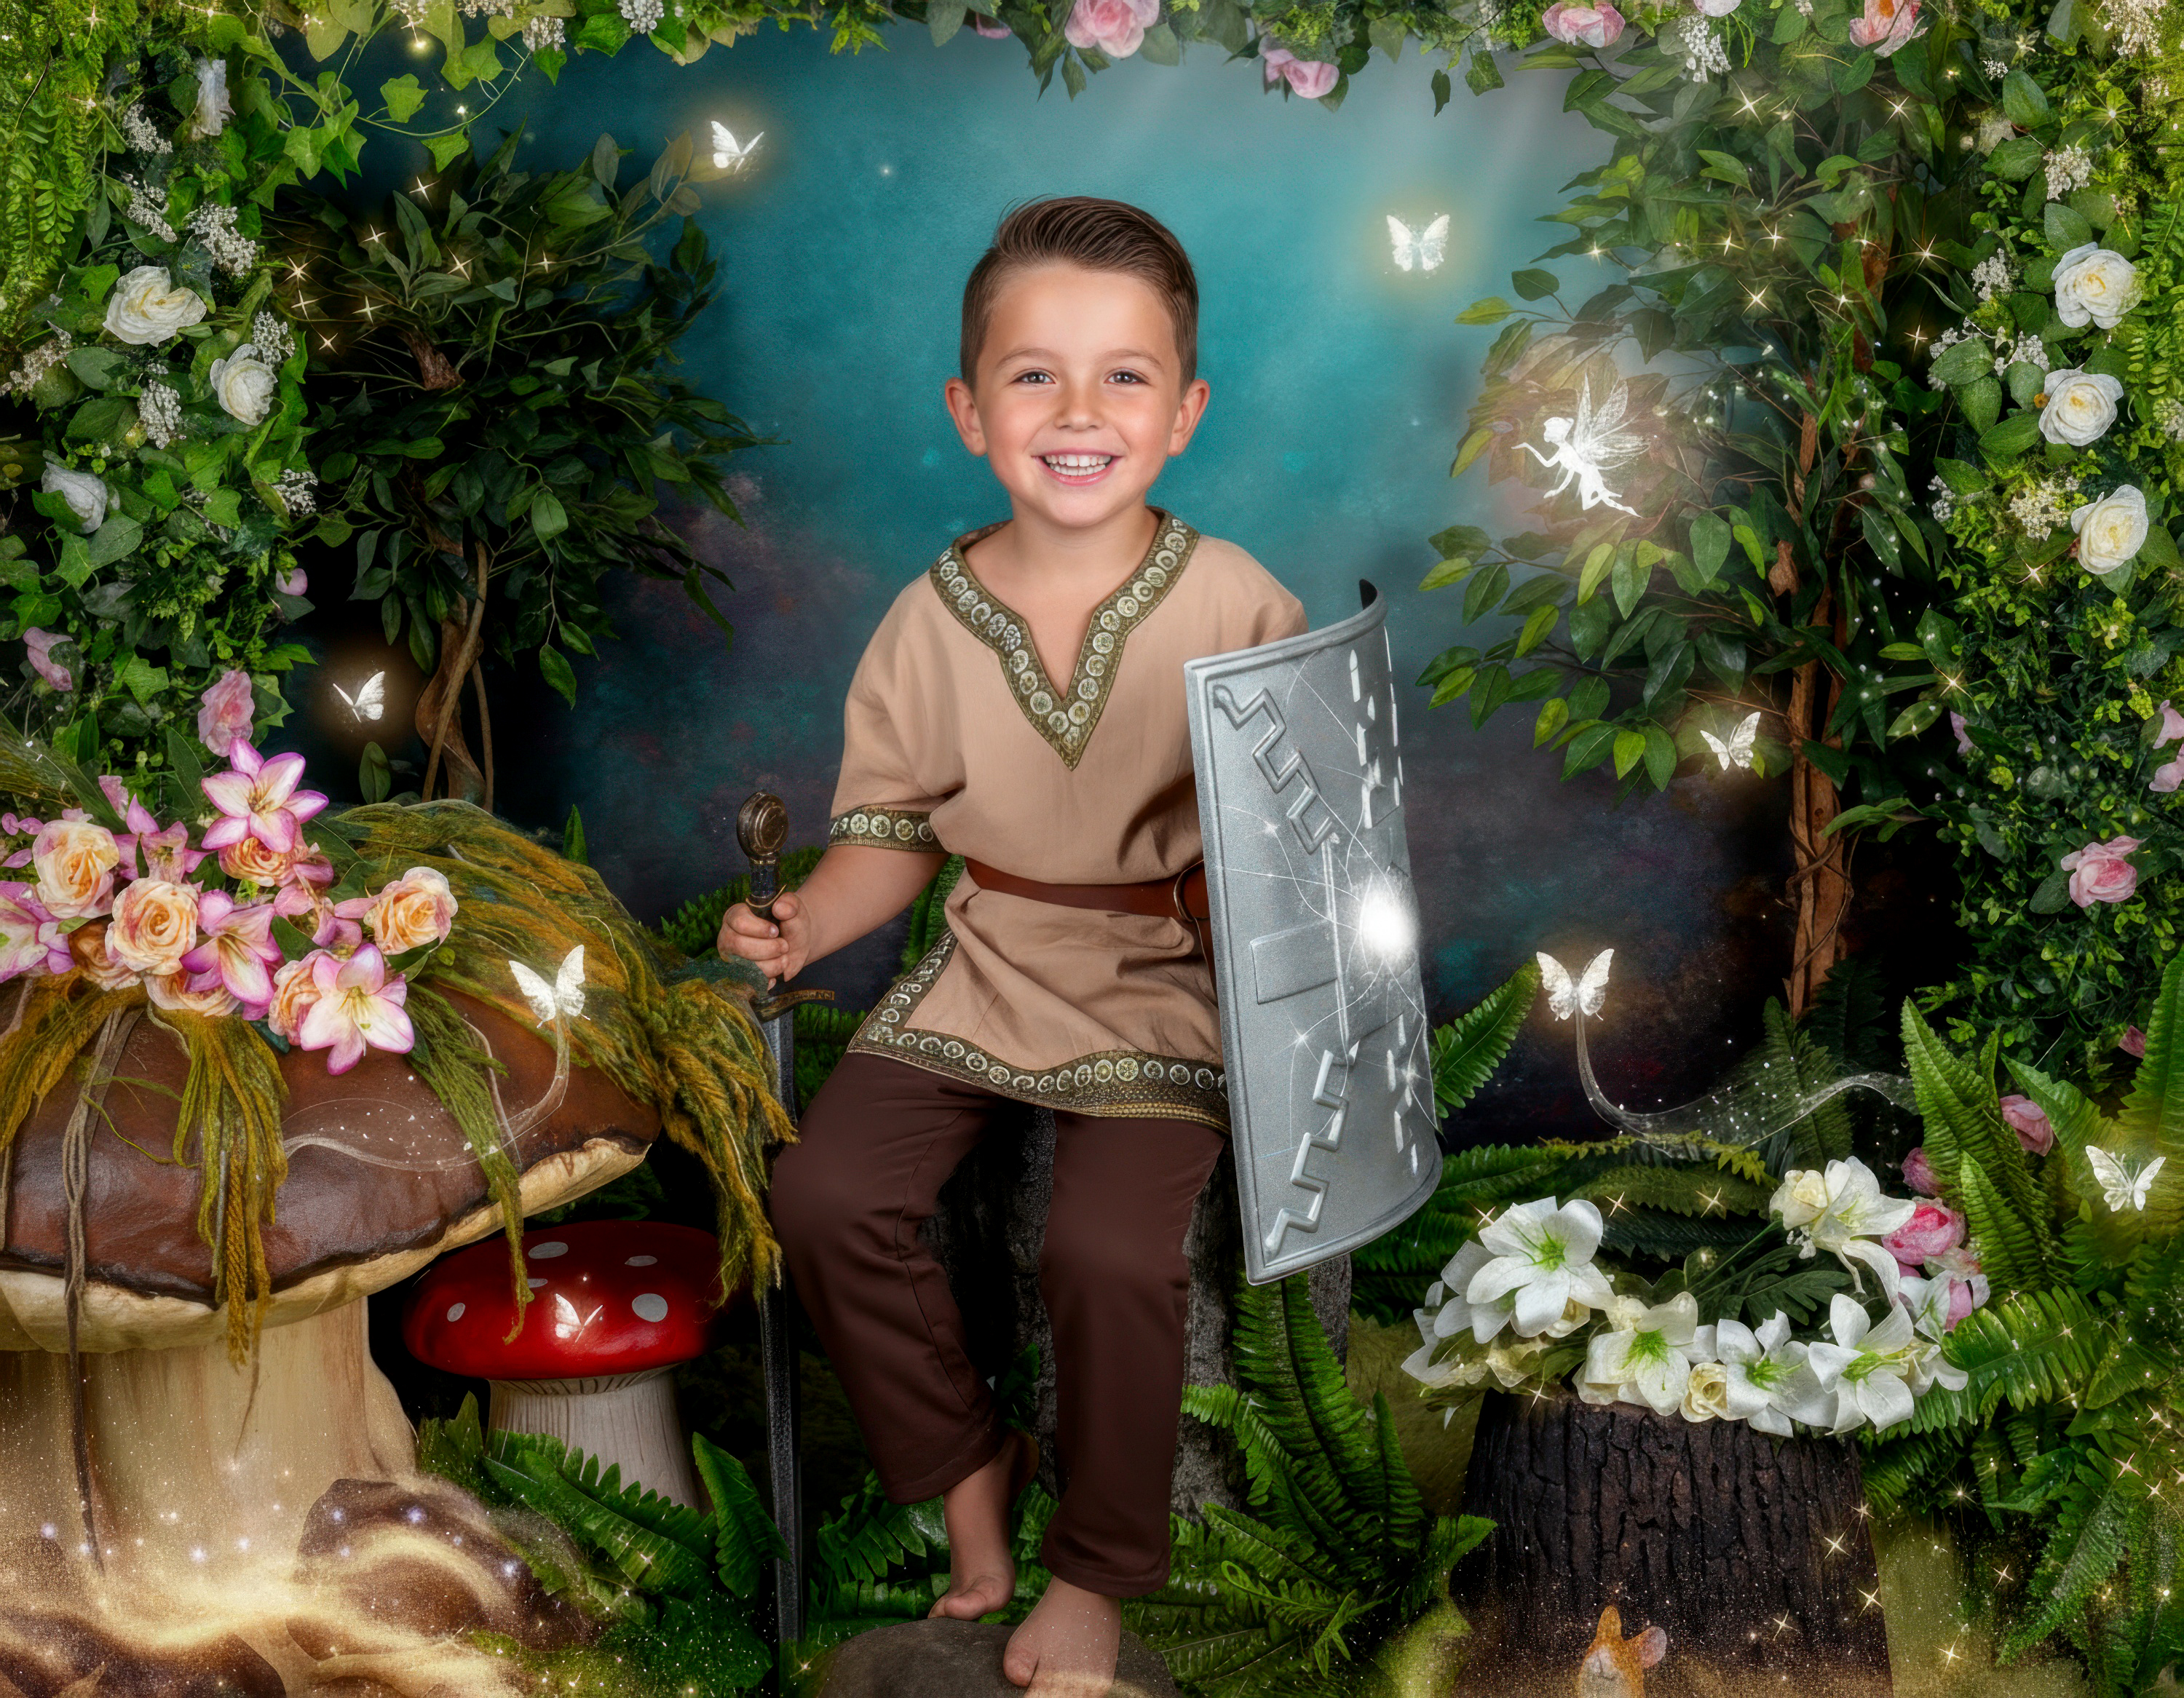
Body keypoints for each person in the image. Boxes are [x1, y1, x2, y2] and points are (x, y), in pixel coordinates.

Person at [719, 196, 1306, 1697]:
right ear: (970, 410)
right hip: (987, 965)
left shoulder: (1240, 603)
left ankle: (1097, 1572)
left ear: (1184, 411)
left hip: (1162, 987)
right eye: (1035, 374)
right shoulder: (930, 618)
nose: (1079, 412)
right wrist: (808, 926)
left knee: (1104, 1250)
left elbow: (1299, 846)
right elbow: (892, 837)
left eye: (1124, 376)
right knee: (829, 1192)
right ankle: (972, 1469)